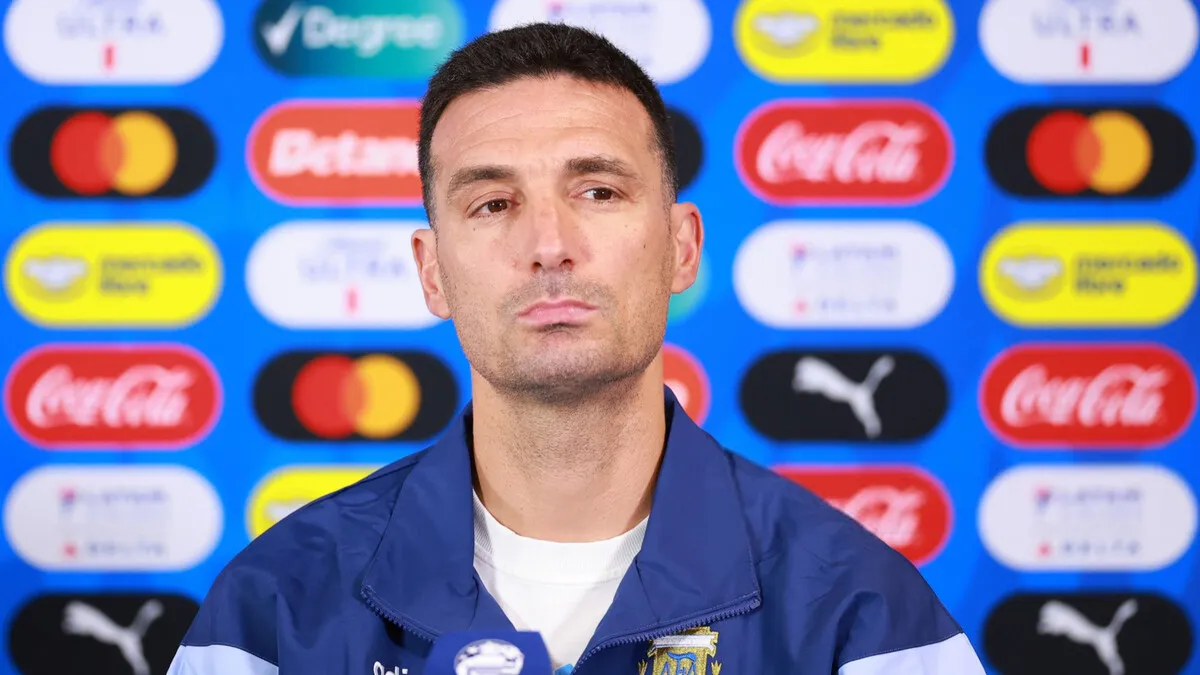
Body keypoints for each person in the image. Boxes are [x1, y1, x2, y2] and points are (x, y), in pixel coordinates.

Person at [167, 22, 987, 675]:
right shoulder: (273, 612)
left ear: (680, 247)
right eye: (492, 203)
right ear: (432, 272)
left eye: (598, 190)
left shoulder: (861, 613)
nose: (549, 244)